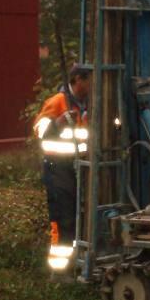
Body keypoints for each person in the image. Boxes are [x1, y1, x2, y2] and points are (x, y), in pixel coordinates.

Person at [32, 64, 90, 271]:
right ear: (77, 80)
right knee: (63, 217)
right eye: (89, 80)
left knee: (80, 217)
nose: (93, 85)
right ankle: (59, 270)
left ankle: (76, 263)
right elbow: (39, 130)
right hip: (58, 168)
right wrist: (57, 123)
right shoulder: (58, 102)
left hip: (80, 167)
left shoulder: (88, 106)